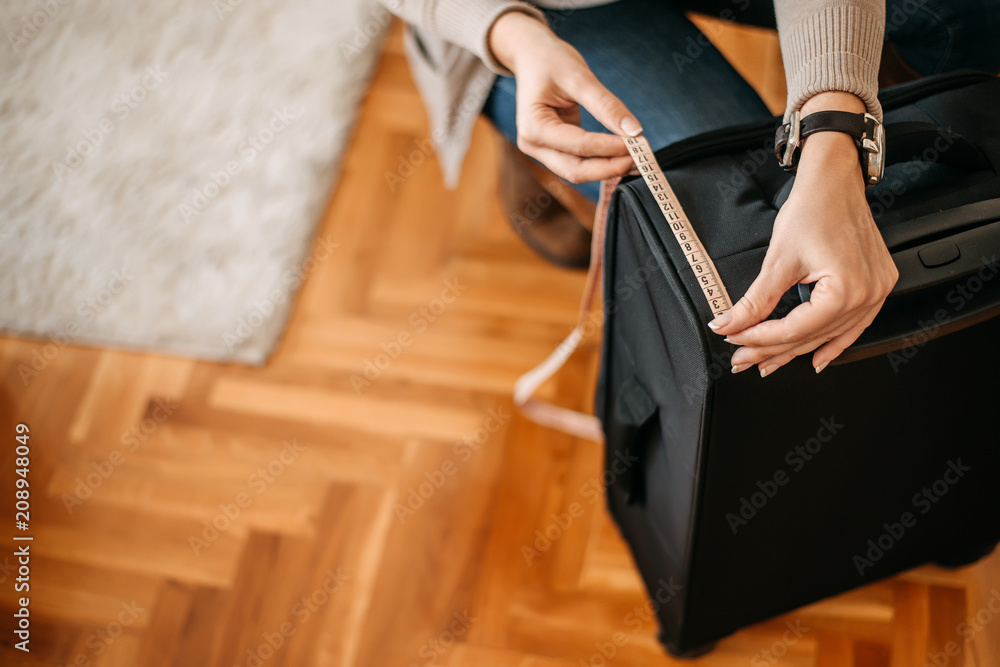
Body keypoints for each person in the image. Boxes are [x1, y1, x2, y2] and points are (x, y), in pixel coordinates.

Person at [380, 0, 1000, 374]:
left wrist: (837, 130)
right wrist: (512, 34)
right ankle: (534, 126)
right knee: (752, 266)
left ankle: (900, 121)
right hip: (539, 13)